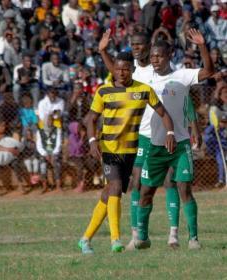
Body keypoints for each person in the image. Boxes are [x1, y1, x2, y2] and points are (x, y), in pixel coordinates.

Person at [78, 50, 175, 254]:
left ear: (132, 70)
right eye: (118, 69)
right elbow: (91, 119)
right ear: (113, 69)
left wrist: (170, 132)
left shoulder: (144, 90)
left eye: (126, 69)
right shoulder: (103, 91)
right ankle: (115, 240)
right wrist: (92, 139)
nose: (121, 72)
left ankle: (85, 239)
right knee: (115, 187)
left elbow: (163, 113)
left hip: (131, 150)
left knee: (108, 195)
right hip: (109, 149)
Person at [133, 30, 214, 250]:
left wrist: (203, 46)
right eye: (152, 56)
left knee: (184, 189)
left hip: (180, 145)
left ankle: (193, 238)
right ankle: (141, 236)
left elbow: (208, 71)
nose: (155, 60)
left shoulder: (181, 76)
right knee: (146, 191)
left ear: (169, 55)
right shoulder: (143, 77)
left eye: (159, 56)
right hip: (154, 144)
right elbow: (119, 76)